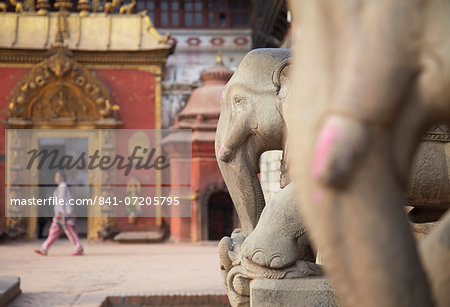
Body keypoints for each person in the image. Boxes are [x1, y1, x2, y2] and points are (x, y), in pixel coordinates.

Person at [34, 171, 84, 256]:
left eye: (57, 176)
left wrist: (63, 213)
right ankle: (44, 248)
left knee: (68, 231)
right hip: (61, 214)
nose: (55, 178)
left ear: (61, 178)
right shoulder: (62, 187)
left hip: (62, 215)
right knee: (56, 231)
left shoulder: (63, 187)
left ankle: (78, 248)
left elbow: (63, 201)